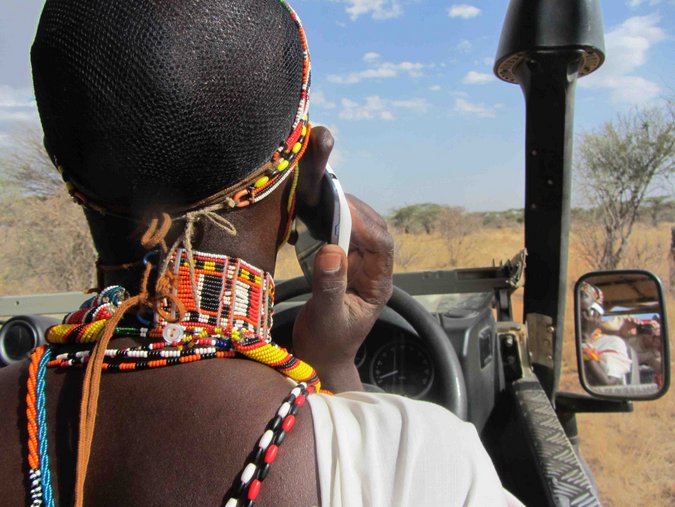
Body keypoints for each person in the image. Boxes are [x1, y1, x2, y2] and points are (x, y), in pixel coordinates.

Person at [0, 1, 520, 506]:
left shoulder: (17, 403)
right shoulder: (419, 463)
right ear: (311, 169)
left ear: (63, 168)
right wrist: (335, 366)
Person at [579, 282, 632, 386]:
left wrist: (585, 339)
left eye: (582, 312)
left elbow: (607, 382)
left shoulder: (613, 343)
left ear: (596, 313)